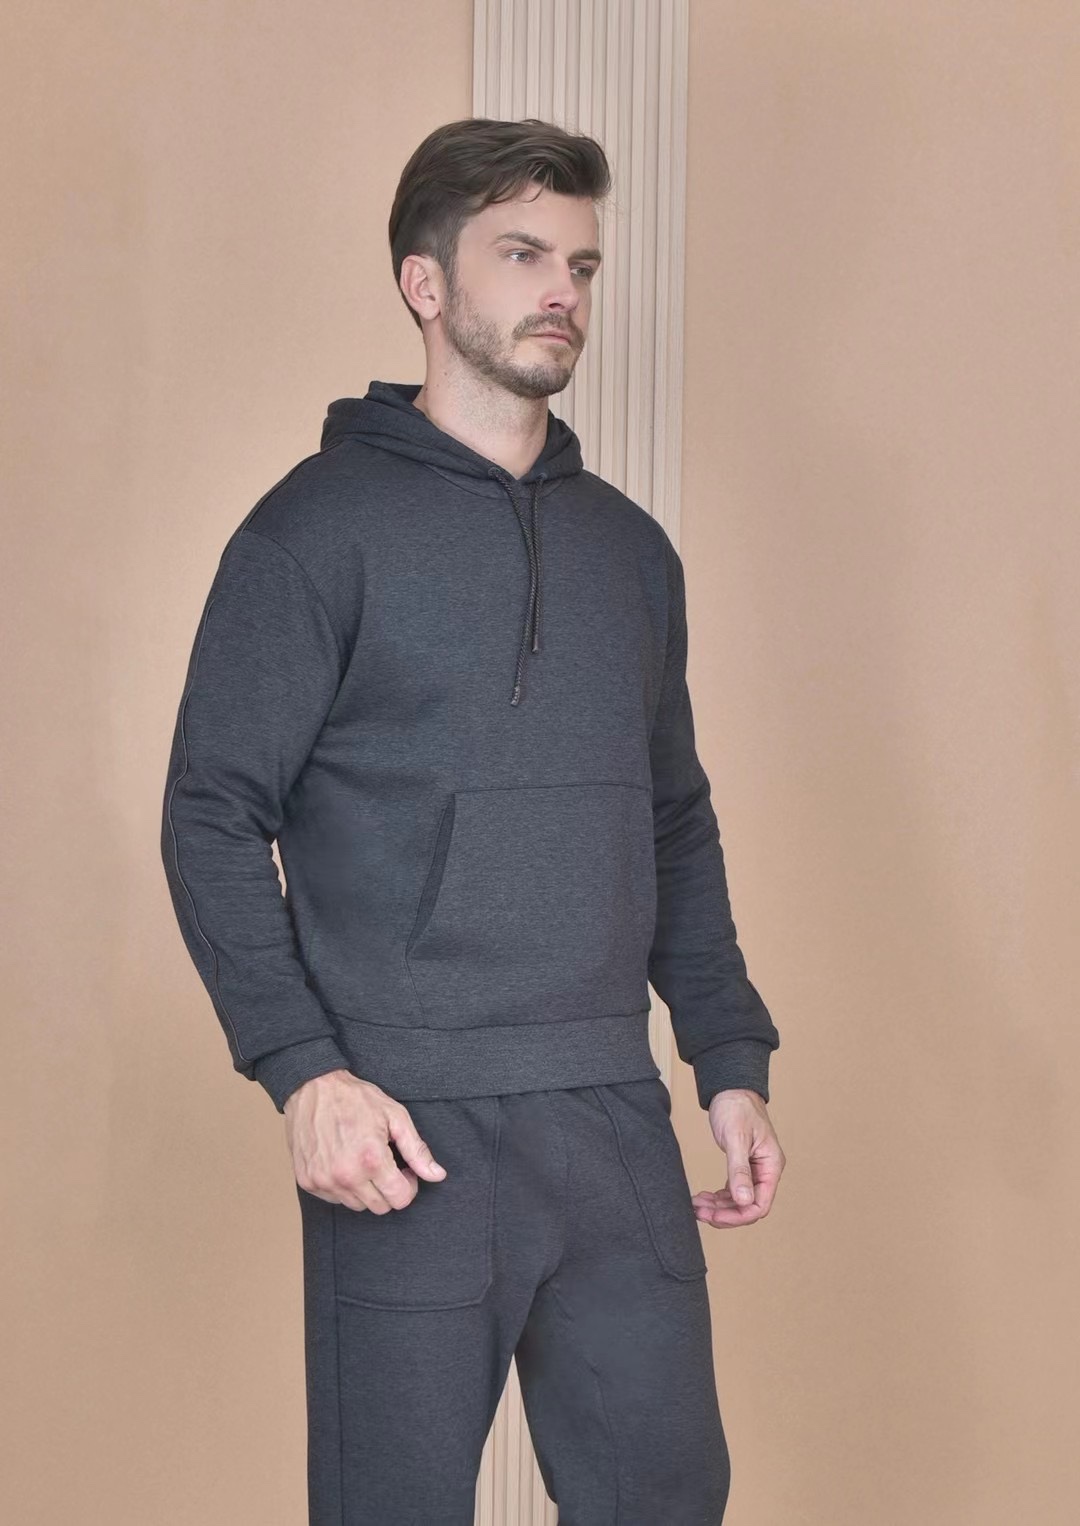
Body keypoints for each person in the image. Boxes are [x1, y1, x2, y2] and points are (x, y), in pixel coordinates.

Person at [160, 115, 785, 1525]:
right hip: (409, 1124)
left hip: (611, 1111)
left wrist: (727, 1057)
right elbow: (210, 812)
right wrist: (305, 1072)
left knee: (665, 1501)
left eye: (581, 263)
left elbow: (673, 819)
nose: (562, 289)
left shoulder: (630, 552)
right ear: (425, 284)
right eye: (522, 255)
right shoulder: (310, 534)